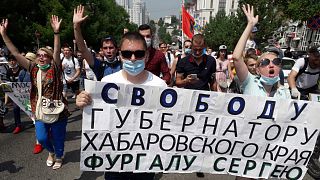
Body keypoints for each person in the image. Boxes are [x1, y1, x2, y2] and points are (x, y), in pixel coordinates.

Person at [76, 31, 166, 180]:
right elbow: (98, 117)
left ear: (147, 56)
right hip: (114, 160)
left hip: (144, 161)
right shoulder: (106, 83)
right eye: (127, 54)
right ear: (120, 55)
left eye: (139, 54)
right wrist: (83, 101)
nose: (133, 58)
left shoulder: (159, 85)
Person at [0, 15, 69, 170]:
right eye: (39, 55)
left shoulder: (55, 68)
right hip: (38, 110)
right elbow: (16, 54)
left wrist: (56, 33)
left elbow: (57, 51)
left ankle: (59, 155)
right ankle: (50, 152)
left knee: (58, 138)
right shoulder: (33, 69)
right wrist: (4, 35)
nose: (41, 57)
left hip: (58, 111)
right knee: (43, 138)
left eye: (45, 55)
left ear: (51, 58)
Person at [233, 4, 290, 99]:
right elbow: (236, 58)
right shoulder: (250, 82)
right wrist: (250, 25)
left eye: (276, 62)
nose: (271, 65)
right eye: (265, 62)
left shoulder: (285, 93)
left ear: (279, 68)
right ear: (257, 70)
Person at [73, 5, 121, 81]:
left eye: (111, 48)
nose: (108, 51)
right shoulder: (99, 65)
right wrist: (76, 26)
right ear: (101, 50)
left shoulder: (124, 65)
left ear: (116, 49)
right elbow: (82, 49)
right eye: (105, 48)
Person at [5, 55, 23, 134]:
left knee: (30, 109)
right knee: (15, 109)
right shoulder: (8, 71)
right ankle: (18, 125)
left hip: (25, 93)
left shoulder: (22, 70)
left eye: (13, 60)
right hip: (15, 94)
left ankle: (35, 122)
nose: (12, 62)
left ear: (16, 61)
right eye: (10, 60)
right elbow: (8, 83)